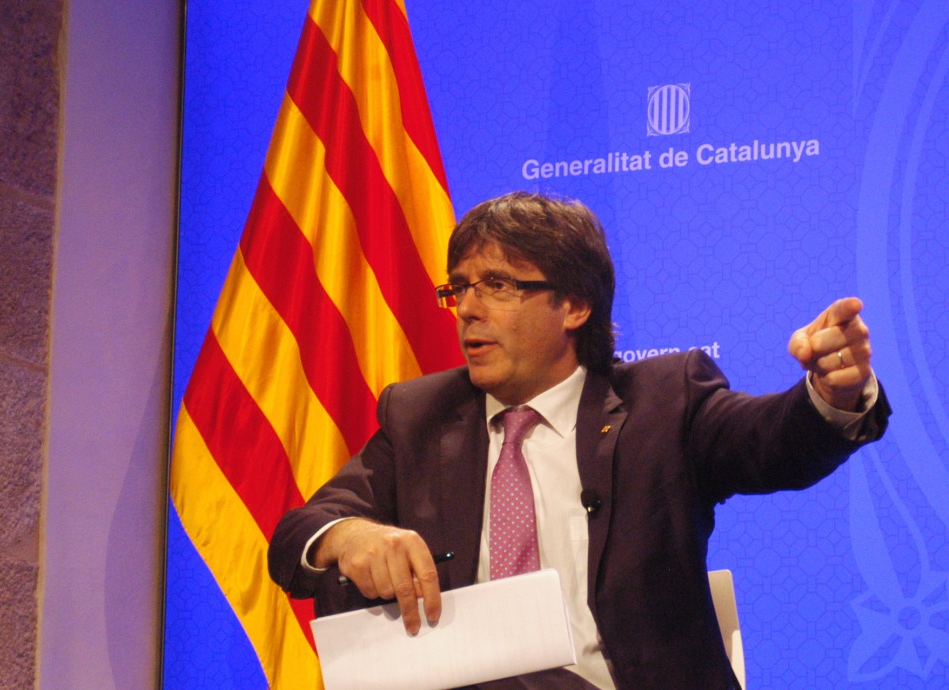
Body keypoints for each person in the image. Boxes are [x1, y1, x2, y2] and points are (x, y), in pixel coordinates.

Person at [268, 191, 890, 689]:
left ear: (573, 306)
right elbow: (300, 532)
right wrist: (348, 535)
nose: (467, 309)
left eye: (499, 285)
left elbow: (770, 442)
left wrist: (831, 394)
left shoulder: (665, 400)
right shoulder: (421, 415)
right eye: (460, 288)